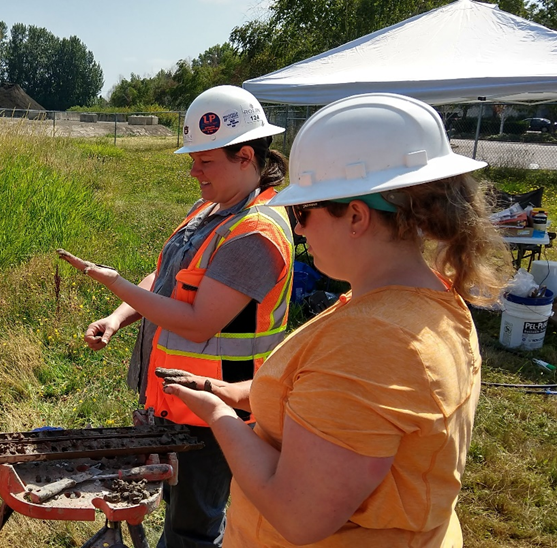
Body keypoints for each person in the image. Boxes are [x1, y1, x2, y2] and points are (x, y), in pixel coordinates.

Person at [162, 92, 511, 547]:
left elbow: (298, 514)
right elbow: (340, 401)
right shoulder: (423, 300)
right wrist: (242, 392)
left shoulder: (373, 342)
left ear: (356, 217)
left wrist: (219, 414)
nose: (299, 229)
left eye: (304, 211)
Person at [57, 85, 295, 548]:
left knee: (193, 527)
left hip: (217, 413)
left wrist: (114, 283)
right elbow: (166, 279)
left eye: (205, 161)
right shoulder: (210, 209)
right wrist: (119, 314)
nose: (193, 171)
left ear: (245, 155)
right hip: (173, 398)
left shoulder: (257, 233)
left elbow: (199, 320)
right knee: (171, 503)